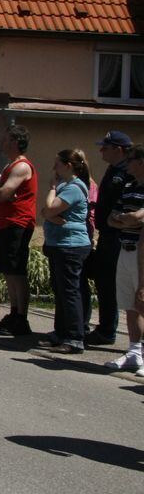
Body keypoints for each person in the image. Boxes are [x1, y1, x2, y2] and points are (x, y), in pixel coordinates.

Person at [39, 149, 93, 354]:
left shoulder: (74, 188)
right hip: (58, 244)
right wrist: (49, 214)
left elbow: (50, 207)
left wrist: (51, 190)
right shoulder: (66, 186)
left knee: (70, 292)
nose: (54, 169)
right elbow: (46, 211)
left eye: (57, 164)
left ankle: (74, 337)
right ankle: (60, 332)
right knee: (61, 290)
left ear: (68, 166)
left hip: (71, 245)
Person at [0, 124, 38, 336]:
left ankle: (21, 318)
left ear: (17, 142)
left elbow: (0, 194)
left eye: (7, 139)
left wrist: (2, 193)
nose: (3, 141)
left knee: (17, 271)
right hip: (7, 222)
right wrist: (1, 193)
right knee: (9, 271)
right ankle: (13, 312)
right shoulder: (11, 165)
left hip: (18, 223)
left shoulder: (21, 166)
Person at [87, 131, 133, 346]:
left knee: (113, 284)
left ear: (119, 149)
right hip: (107, 233)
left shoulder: (127, 171)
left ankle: (108, 330)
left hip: (119, 235)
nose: (101, 150)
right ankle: (105, 328)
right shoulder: (113, 168)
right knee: (104, 282)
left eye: (106, 147)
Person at [104, 144, 144, 376]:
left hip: (142, 252)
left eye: (131, 160)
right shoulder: (129, 186)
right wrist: (127, 219)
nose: (127, 165)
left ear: (141, 162)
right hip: (125, 248)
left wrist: (130, 218)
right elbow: (112, 218)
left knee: (143, 300)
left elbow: (140, 217)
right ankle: (134, 352)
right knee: (130, 304)